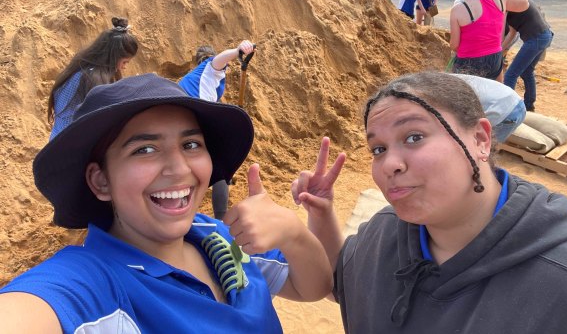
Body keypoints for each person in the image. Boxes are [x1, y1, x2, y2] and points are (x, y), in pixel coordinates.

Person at [0, 74, 332, 333]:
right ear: (101, 181)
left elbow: (312, 288)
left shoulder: (219, 235)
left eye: (191, 144)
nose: (179, 168)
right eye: (144, 149)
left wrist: (293, 233)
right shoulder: (94, 282)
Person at [293, 72, 567, 333]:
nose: (389, 164)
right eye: (378, 149)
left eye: (414, 137)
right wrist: (321, 213)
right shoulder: (384, 230)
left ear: (481, 139)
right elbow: (342, 283)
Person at [178, 40, 255, 220]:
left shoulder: (195, 80)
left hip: (182, 128)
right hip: (193, 126)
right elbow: (219, 60)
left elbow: (215, 106)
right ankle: (221, 218)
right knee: (221, 167)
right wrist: (237, 51)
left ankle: (183, 213)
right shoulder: (210, 69)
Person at [47, 17, 138, 140]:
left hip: (58, 137)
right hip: (69, 143)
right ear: (113, 57)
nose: (124, 67)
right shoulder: (93, 78)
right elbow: (103, 119)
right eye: (125, 62)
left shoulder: (82, 67)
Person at [450, 0, 528, 81]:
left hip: (468, 62)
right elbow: (525, 3)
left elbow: (454, 45)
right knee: (494, 96)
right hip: (494, 58)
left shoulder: (459, 8)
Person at [502, 0, 553, 112]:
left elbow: (511, 34)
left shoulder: (513, 6)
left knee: (510, 75)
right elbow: (512, 32)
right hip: (545, 35)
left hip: (536, 38)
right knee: (526, 71)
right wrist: (500, 49)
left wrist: (499, 50)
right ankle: (529, 105)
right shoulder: (516, 2)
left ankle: (507, 109)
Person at [449, 73, 525, 142]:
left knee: (481, 147)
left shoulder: (444, 95)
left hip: (506, 114)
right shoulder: (448, 79)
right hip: (514, 100)